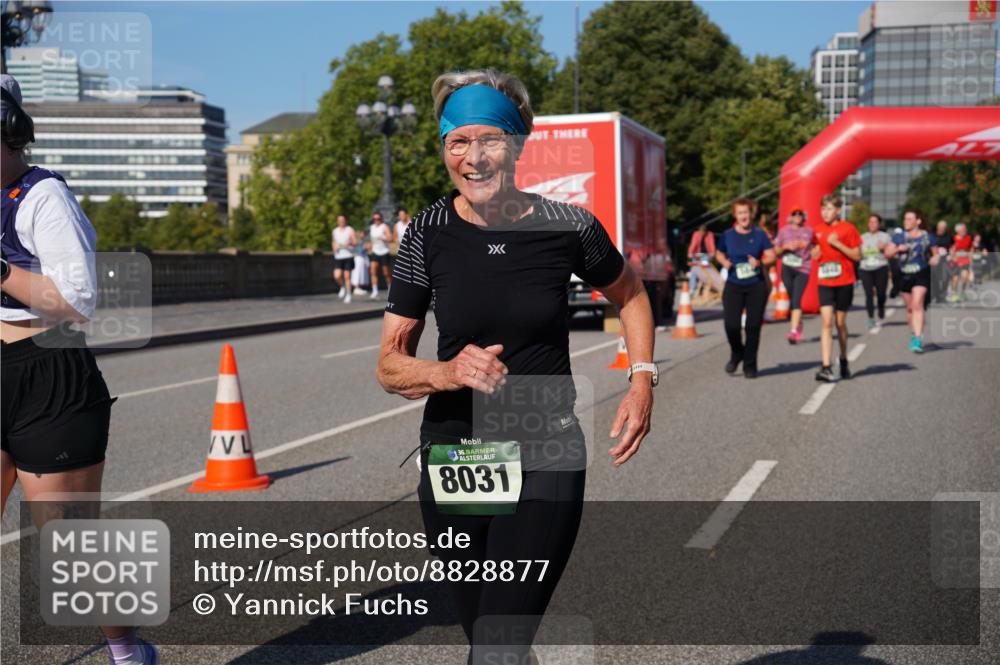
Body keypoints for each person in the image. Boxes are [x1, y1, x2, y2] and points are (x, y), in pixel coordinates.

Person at [375, 68, 655, 664]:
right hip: (458, 451)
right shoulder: (427, 232)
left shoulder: (568, 225)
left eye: (490, 139)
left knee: (499, 643)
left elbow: (631, 295)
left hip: (544, 443)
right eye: (458, 142)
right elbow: (389, 365)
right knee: (488, 635)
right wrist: (445, 373)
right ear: (443, 149)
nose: (474, 157)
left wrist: (642, 379)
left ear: (518, 145)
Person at [0, 74, 158, 665]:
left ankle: (125, 649)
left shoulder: (44, 198)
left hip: (48, 374)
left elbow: (78, 300)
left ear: (12, 134)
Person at [715, 199, 775, 378]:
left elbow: (772, 255)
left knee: (753, 326)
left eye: (746, 212)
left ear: (752, 214)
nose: (744, 216)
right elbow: (718, 252)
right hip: (734, 284)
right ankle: (737, 352)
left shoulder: (759, 234)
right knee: (731, 325)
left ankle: (750, 365)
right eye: (740, 213)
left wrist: (760, 262)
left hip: (756, 285)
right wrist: (724, 261)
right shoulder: (727, 235)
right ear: (735, 215)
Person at [811, 195, 862, 382]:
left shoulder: (848, 229)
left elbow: (857, 255)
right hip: (825, 282)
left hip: (844, 281)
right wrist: (814, 254)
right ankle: (826, 366)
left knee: (840, 323)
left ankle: (843, 358)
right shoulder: (816, 230)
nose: (825, 213)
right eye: (823, 209)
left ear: (838, 211)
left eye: (829, 209)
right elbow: (815, 252)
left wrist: (837, 243)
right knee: (826, 323)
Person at [886, 209, 936, 353]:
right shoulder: (898, 237)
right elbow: (887, 253)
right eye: (905, 219)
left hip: (922, 273)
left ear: (918, 221)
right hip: (904, 274)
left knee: (917, 303)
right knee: (909, 309)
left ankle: (918, 339)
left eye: (909, 219)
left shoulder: (927, 237)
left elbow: (936, 255)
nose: (906, 221)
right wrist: (897, 250)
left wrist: (935, 259)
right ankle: (914, 333)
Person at [773, 207, 813, 343]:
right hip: (787, 268)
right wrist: (786, 247)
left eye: (800, 214)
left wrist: (806, 245)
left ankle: (793, 331)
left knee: (796, 299)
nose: (797, 216)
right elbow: (776, 251)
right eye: (794, 214)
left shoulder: (809, 231)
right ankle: (798, 321)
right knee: (792, 298)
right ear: (790, 216)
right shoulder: (784, 231)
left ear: (803, 216)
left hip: (803, 269)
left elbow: (817, 248)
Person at [858, 213, 891, 330]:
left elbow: (891, 252)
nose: (872, 224)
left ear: (879, 224)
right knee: (868, 294)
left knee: (881, 293)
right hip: (865, 268)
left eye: (875, 222)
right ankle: (871, 318)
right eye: (870, 222)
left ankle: (881, 306)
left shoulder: (885, 236)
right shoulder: (862, 237)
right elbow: (857, 253)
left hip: (880, 267)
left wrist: (885, 248)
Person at [686, 223, 720, 298]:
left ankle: (707, 284)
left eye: (703, 232)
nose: (702, 234)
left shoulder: (709, 235)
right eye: (701, 232)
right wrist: (690, 253)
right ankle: (692, 288)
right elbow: (693, 244)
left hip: (706, 255)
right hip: (697, 255)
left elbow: (712, 246)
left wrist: (712, 254)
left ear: (705, 231)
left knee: (705, 269)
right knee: (693, 270)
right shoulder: (696, 234)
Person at [331, 214, 356, 304]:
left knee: (347, 276)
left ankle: (349, 294)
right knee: (337, 276)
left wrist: (348, 244)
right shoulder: (335, 231)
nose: (341, 222)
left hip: (348, 256)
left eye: (343, 220)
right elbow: (333, 242)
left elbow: (355, 242)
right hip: (338, 256)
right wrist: (334, 249)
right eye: (339, 220)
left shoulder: (350, 230)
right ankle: (342, 286)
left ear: (345, 221)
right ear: (338, 221)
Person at [368, 211, 393, 298]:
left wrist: (384, 238)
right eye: (375, 219)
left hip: (384, 252)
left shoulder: (384, 227)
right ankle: (375, 291)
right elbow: (372, 240)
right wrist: (370, 246)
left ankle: (390, 288)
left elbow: (391, 238)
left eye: (378, 219)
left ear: (381, 219)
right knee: (372, 271)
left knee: (386, 272)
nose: (376, 220)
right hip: (375, 252)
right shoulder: (371, 227)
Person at [947, 222, 974, 303]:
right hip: (955, 261)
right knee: (955, 279)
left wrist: (971, 257)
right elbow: (951, 249)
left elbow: (971, 249)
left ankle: (962, 292)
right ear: (958, 230)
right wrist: (952, 258)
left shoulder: (969, 238)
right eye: (963, 229)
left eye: (965, 229)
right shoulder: (953, 238)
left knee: (965, 277)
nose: (965, 230)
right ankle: (954, 293)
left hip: (965, 260)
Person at [930, 219, 952, 303]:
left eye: (944, 228)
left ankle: (942, 295)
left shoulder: (948, 236)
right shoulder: (932, 235)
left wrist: (951, 255)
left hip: (945, 259)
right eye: (940, 227)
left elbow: (952, 246)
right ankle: (936, 294)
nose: (942, 229)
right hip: (934, 259)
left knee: (946, 277)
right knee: (934, 278)